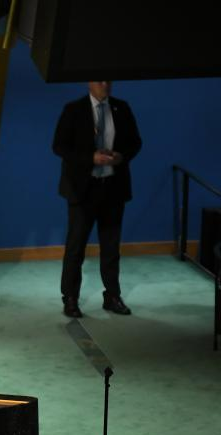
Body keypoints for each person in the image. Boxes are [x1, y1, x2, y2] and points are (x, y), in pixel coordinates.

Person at [53, 80, 142, 318]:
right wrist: (90, 158)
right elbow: (59, 146)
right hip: (83, 190)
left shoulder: (122, 108)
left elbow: (135, 142)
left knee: (111, 247)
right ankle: (70, 298)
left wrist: (121, 157)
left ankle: (112, 296)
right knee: (76, 247)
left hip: (113, 188)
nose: (105, 85)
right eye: (100, 80)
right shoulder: (73, 109)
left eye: (108, 80)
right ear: (89, 83)